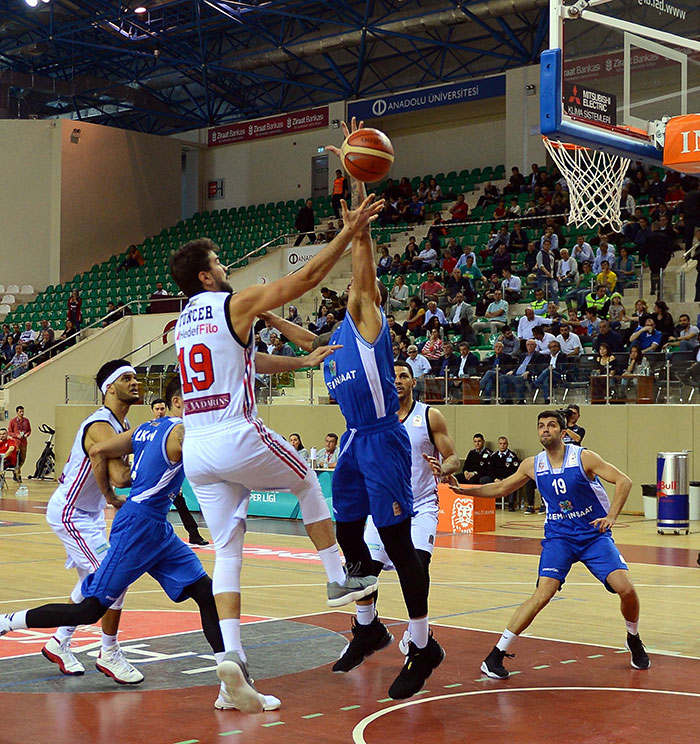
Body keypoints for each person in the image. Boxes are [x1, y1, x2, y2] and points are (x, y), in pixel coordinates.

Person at [169, 193, 382, 710]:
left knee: (228, 553)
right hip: (235, 432)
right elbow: (305, 280)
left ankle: (232, 665)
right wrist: (349, 231)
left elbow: (251, 362)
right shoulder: (233, 303)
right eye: (218, 262)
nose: (224, 268)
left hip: (196, 446)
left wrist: (303, 366)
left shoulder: (181, 326)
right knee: (308, 479)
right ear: (204, 276)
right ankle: (337, 579)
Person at [0, 377, 279, 713]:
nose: (205, 407)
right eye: (199, 401)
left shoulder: (146, 427)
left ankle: (229, 688)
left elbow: (100, 450)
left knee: (206, 593)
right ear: (178, 402)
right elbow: (216, 453)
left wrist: (108, 495)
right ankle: (6, 622)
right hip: (136, 527)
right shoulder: (179, 430)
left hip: (157, 528)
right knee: (89, 610)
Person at [309, 118, 445, 699]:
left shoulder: (367, 321)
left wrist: (357, 207)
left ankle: (423, 642)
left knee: (394, 543)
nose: (354, 289)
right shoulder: (333, 341)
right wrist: (257, 318)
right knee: (347, 535)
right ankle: (369, 628)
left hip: (384, 437)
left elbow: (362, 270)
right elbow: (299, 338)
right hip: (353, 444)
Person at [448, 410, 650, 678]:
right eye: (541, 426)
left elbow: (624, 480)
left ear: (563, 432)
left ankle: (633, 637)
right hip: (559, 538)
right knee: (543, 594)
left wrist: (611, 516)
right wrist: (464, 490)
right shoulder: (533, 464)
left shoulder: (583, 457)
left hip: (592, 536)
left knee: (626, 590)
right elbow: (500, 489)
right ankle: (495, 655)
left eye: (552, 425)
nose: (545, 430)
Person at [333, 360, 460, 673]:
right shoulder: (376, 419)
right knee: (361, 569)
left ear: (414, 382)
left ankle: (419, 637)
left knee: (416, 567)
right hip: (382, 507)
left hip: (420, 506)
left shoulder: (429, 415)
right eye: (395, 377)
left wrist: (445, 469)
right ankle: (368, 631)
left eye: (405, 376)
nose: (399, 381)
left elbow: (454, 457)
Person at [41, 359, 142, 683]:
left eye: (136, 378)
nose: (135, 382)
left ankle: (59, 642)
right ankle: (109, 651)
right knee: (115, 576)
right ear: (109, 388)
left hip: (90, 514)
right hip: (72, 513)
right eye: (127, 378)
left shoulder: (120, 426)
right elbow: (121, 478)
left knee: (92, 581)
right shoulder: (101, 426)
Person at [150, 398, 208, 546]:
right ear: (152, 411)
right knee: (151, 508)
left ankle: (194, 534)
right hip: (154, 477)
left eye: (162, 408)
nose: (160, 412)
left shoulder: (173, 428)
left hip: (170, 475)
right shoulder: (149, 428)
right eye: (157, 409)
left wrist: (177, 481)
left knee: (181, 505)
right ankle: (152, 536)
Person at [489, 436, 521, 511]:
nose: (502, 445)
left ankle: (511, 504)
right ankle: (489, 503)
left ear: (507, 444)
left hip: (508, 478)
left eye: (504, 444)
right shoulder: (493, 456)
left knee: (513, 482)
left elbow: (515, 469)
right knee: (484, 480)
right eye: (500, 444)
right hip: (496, 478)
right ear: (498, 444)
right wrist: (495, 478)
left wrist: (507, 479)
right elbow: (490, 469)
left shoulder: (512, 456)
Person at [8, 405, 31, 483]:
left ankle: (16, 471)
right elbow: (10, 432)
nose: (22, 413)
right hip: (16, 442)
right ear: (17, 412)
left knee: (23, 458)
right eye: (20, 411)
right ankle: (18, 474)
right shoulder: (13, 421)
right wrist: (16, 435)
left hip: (24, 442)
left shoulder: (26, 421)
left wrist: (26, 434)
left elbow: (29, 430)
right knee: (17, 458)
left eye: (23, 411)